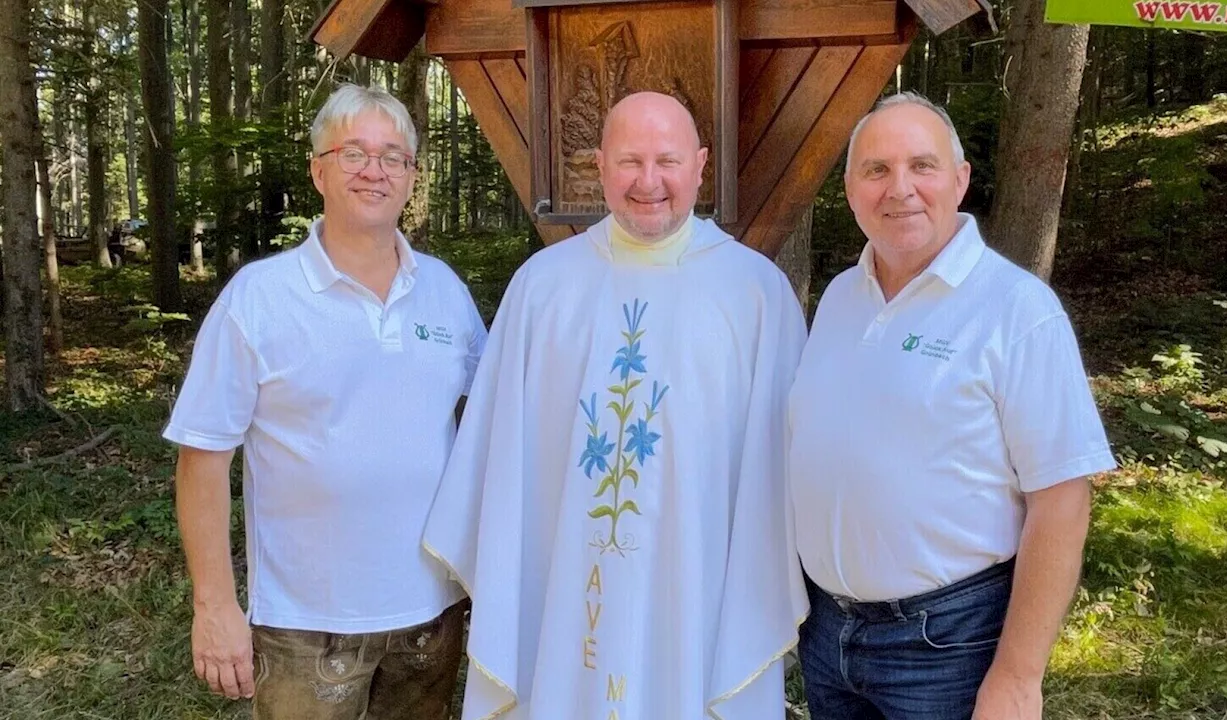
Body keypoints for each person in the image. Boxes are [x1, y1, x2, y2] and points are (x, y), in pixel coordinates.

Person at [423, 91, 808, 720]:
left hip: (699, 591)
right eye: (629, 161)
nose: (648, 181)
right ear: (598, 166)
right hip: (566, 586)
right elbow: (497, 468)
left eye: (668, 160)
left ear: (701, 166)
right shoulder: (542, 289)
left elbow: (787, 475)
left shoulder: (756, 295)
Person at [788, 92, 1115, 720]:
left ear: (960, 180)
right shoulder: (839, 297)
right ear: (851, 188)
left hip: (947, 645)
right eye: (876, 170)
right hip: (829, 636)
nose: (899, 189)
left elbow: (1063, 500)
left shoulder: (1016, 310)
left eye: (922, 166)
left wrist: (1018, 678)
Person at [163, 84, 486, 720]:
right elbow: (202, 460)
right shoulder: (259, 298)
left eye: (394, 156)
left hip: (433, 614)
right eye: (354, 153)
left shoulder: (444, 292)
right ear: (318, 169)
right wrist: (215, 606)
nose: (375, 170)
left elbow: (490, 425)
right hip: (305, 625)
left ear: (411, 176)